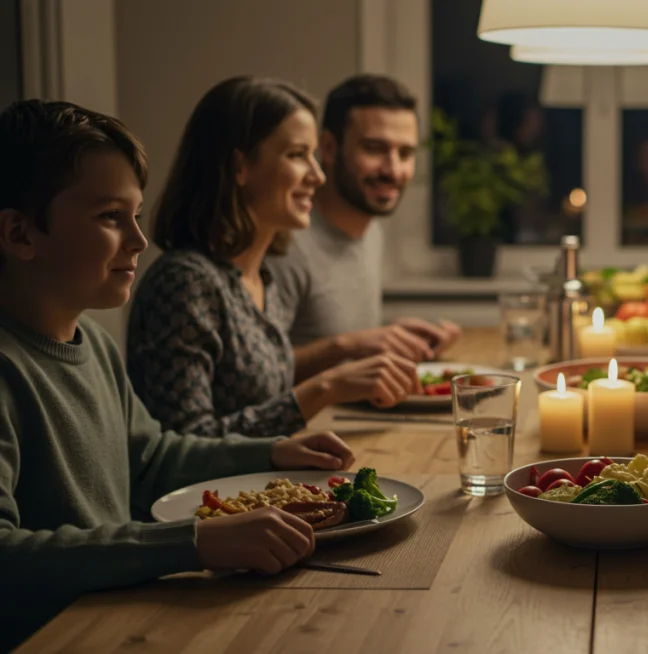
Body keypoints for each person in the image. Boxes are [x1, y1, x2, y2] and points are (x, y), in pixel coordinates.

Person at [0, 99, 358, 650]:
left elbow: (151, 458)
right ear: (20, 234)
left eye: (136, 216)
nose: (139, 242)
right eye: (109, 217)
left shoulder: (91, 342)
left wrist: (270, 453)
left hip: (120, 616)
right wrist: (191, 543)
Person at [128, 76, 419, 438]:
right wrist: (325, 388)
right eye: (298, 156)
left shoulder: (259, 277)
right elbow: (184, 445)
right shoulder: (186, 282)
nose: (317, 175)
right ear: (240, 167)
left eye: (314, 156)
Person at [267, 75, 460, 385]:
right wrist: (349, 346)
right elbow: (257, 375)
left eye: (405, 154)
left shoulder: (371, 233)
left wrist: (394, 338)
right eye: (374, 149)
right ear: (329, 148)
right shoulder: (283, 243)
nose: (394, 170)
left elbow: (345, 343)